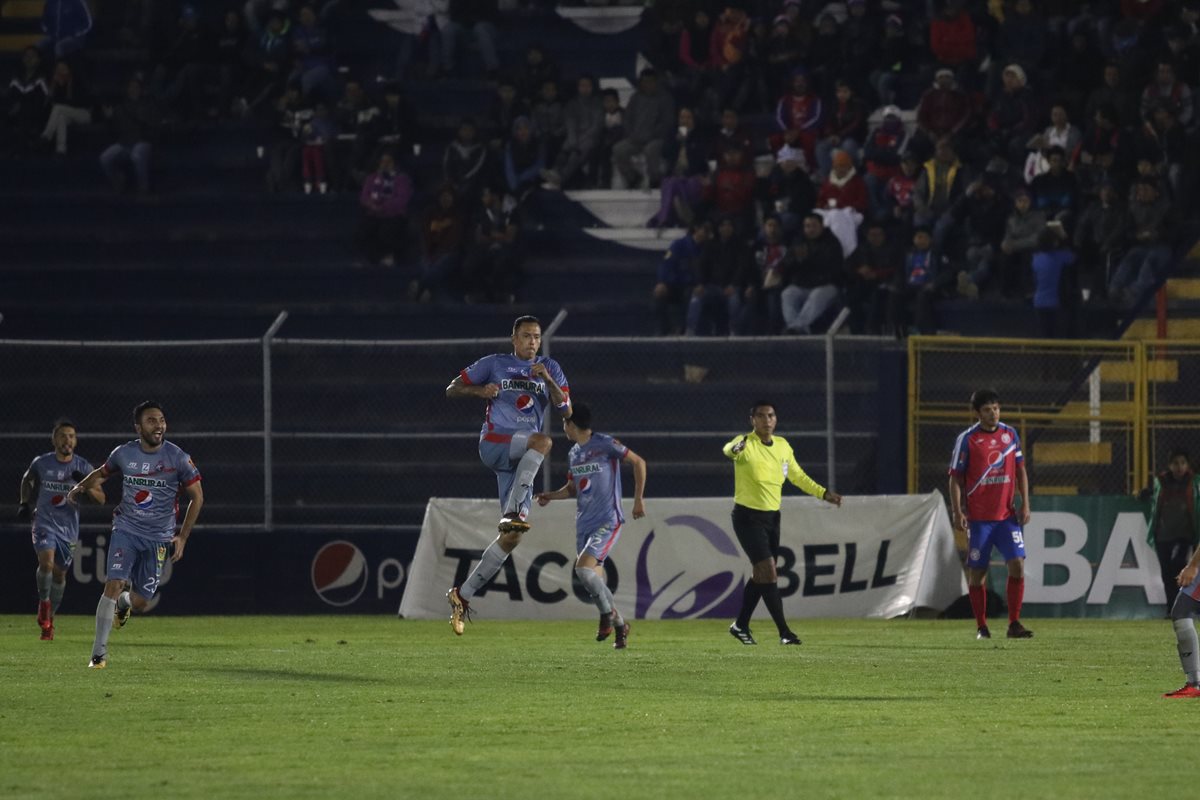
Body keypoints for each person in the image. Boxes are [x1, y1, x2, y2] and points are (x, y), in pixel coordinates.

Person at [445, 316, 572, 635]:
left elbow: (566, 410)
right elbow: (452, 389)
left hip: (522, 459)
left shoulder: (549, 368)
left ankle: (462, 595)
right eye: (527, 336)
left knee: (512, 536)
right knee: (543, 441)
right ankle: (514, 511)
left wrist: (549, 380)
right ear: (513, 339)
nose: (532, 342)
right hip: (495, 443)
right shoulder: (494, 363)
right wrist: (479, 391)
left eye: (537, 337)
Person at [68, 402, 204, 668]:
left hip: (159, 537)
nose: (159, 425)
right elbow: (102, 473)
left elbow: (197, 497)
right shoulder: (124, 453)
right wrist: (80, 488)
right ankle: (98, 655)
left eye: (162, 420)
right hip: (126, 529)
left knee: (142, 601)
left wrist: (183, 537)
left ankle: (125, 602)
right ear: (138, 427)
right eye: (152, 421)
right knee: (113, 582)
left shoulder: (178, 458)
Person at [724, 401, 842, 646]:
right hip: (747, 517)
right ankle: (784, 632)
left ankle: (740, 625)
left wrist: (823, 493)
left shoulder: (782, 446)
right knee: (769, 570)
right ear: (752, 420)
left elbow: (797, 475)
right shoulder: (746, 443)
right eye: (761, 416)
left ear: (775, 420)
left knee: (762, 574)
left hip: (772, 518)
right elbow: (729, 450)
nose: (767, 420)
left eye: (771, 415)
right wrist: (736, 448)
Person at [535, 403, 647, 650]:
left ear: (571, 424)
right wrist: (549, 496)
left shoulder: (605, 444)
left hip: (608, 521)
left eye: (565, 422)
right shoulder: (574, 453)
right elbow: (573, 489)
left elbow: (638, 462)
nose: (563, 426)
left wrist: (638, 499)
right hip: (584, 525)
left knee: (583, 571)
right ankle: (620, 625)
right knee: (594, 585)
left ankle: (606, 616)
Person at [947, 389, 1034, 641]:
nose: (993, 413)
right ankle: (982, 626)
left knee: (1017, 564)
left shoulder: (1010, 434)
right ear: (977, 413)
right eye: (987, 409)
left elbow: (1020, 471)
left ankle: (1014, 623)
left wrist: (1025, 503)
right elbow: (955, 479)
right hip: (980, 520)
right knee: (978, 572)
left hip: (1006, 517)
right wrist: (957, 511)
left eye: (996, 408)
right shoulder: (967, 439)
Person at [18, 419, 101, 641]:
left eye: (72, 436)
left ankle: (49, 621)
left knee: (60, 573)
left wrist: (84, 486)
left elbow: (101, 499)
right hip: (44, 522)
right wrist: (24, 503)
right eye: (63, 435)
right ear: (54, 439)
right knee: (46, 562)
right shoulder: (42, 463)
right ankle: (44, 603)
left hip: (68, 528)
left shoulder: (83, 467)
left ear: (76, 441)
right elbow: (28, 479)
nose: (68, 440)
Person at [1143, 449, 1200, 617]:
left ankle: (1183, 607)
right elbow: (1154, 497)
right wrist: (1145, 493)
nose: (1179, 467)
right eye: (1176, 463)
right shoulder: (1160, 482)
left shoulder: (1195, 482)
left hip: (1185, 535)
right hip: (1163, 535)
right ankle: (1172, 609)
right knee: (1166, 573)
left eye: (1183, 463)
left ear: (1188, 465)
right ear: (1169, 465)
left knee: (1178, 565)